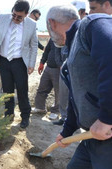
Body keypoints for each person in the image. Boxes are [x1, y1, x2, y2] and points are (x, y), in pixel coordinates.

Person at [46, 4, 112, 168]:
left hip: (107, 136)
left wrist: (106, 118)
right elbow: (77, 94)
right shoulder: (73, 45)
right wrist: (67, 130)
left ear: (52, 23)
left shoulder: (91, 25)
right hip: (91, 137)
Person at [0, 0, 38, 128]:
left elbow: (34, 45)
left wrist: (31, 63)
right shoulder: (3, 18)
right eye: (14, 15)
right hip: (4, 60)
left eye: (19, 17)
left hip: (20, 62)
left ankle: (25, 117)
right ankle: (8, 115)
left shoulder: (31, 25)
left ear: (26, 14)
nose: (15, 18)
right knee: (7, 90)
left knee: (22, 90)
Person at [32, 39, 61, 120]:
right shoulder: (53, 37)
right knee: (42, 88)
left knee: (59, 92)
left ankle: (56, 111)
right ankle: (40, 107)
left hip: (59, 69)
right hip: (48, 67)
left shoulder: (67, 37)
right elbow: (47, 50)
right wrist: (42, 63)